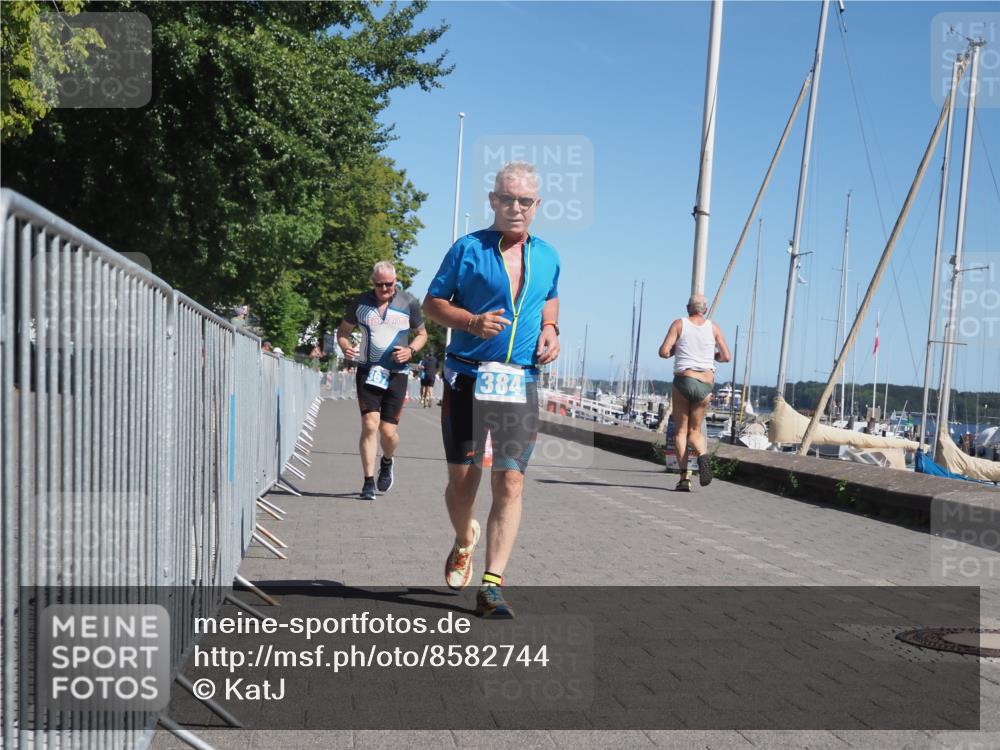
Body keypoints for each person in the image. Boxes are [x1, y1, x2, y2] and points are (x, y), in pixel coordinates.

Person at [423, 161, 560, 619]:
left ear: (537, 205)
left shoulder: (548, 255)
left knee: (511, 480)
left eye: (525, 200)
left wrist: (551, 327)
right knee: (462, 486)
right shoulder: (467, 249)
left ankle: (492, 585)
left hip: (519, 381)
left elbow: (551, 294)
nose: (515, 207)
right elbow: (432, 303)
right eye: (507, 198)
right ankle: (465, 538)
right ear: (493, 201)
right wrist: (471, 322)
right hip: (466, 375)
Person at [337, 261, 427, 501]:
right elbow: (343, 332)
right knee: (369, 425)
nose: (385, 288)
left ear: (396, 281)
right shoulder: (360, 303)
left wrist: (410, 351)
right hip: (368, 371)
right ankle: (367, 482)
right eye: (380, 285)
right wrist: (345, 347)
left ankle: (387, 461)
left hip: (397, 374)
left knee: (387, 432)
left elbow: (422, 334)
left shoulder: (409, 302)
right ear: (373, 283)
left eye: (389, 284)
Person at [657, 293, 731, 491]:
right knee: (695, 432)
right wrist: (713, 355)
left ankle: (684, 479)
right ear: (705, 310)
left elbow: (664, 352)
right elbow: (726, 356)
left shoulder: (679, 324)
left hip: (684, 380)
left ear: (688, 308)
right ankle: (703, 456)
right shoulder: (714, 328)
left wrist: (676, 350)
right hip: (705, 384)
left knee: (681, 432)